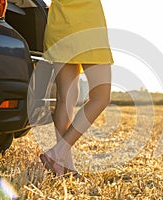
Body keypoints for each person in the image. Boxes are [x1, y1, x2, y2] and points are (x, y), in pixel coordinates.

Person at [39, 0, 114, 178]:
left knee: (66, 98)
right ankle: (58, 153)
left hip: (60, 25)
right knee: (101, 97)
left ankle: (65, 166)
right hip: (87, 25)